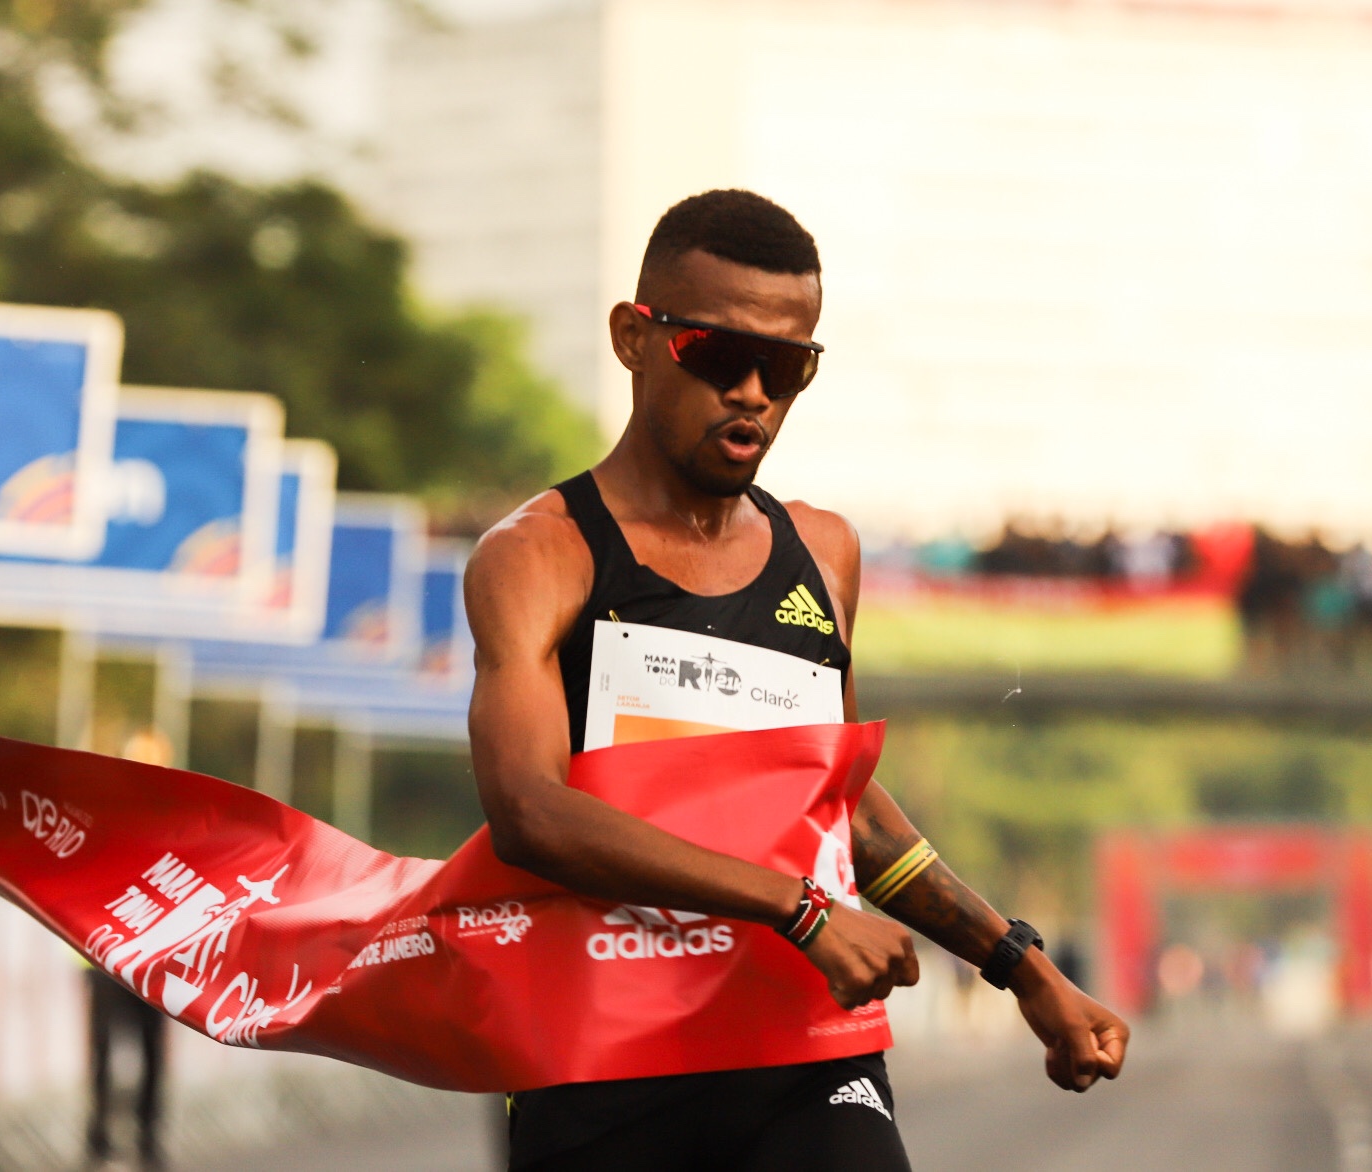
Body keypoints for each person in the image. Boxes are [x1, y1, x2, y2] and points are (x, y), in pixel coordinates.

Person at [464, 189, 1130, 1170]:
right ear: (633, 338)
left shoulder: (821, 552)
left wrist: (1023, 967)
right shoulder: (540, 556)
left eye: (784, 366)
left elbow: (841, 810)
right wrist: (800, 909)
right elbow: (528, 807)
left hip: (803, 1049)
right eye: (716, 355)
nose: (751, 393)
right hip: (600, 1058)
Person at [86, 728, 174, 1168]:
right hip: (105, 954)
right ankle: (98, 1136)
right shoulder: (106, 814)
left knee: (152, 1050)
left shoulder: (176, 819)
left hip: (160, 958)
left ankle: (148, 1137)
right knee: (102, 1048)